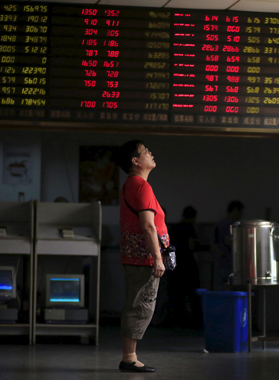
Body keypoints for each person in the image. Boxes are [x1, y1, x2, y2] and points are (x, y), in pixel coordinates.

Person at [115, 139, 167, 373]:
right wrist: (157, 258)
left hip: (133, 256)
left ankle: (130, 357)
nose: (150, 153)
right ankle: (129, 358)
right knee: (141, 306)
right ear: (135, 161)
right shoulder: (141, 186)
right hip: (143, 258)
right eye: (146, 151)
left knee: (137, 304)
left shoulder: (130, 184)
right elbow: (148, 226)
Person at [167, 206, 207, 328]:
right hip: (188, 263)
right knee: (193, 293)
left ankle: (178, 320)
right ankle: (196, 321)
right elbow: (191, 245)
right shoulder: (189, 227)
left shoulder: (174, 228)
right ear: (193, 217)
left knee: (178, 294)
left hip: (175, 264)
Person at [213, 201, 244, 290]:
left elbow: (215, 245)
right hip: (229, 263)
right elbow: (230, 241)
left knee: (220, 290)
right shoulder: (230, 225)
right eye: (240, 212)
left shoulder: (220, 224)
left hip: (221, 262)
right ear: (234, 210)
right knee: (230, 291)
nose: (241, 215)